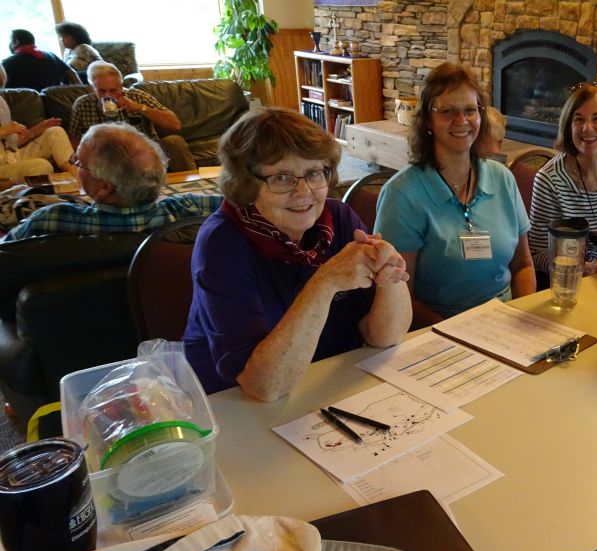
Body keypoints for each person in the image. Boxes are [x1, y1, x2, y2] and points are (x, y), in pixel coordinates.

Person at [183, 108, 411, 400]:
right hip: (234, 406)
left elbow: (384, 337)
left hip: (321, 384)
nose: (303, 191)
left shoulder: (338, 218)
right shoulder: (222, 243)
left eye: (314, 173)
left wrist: (388, 273)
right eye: (281, 178)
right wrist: (325, 282)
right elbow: (265, 386)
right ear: (246, 182)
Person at [374, 63, 535, 326]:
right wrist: (457, 334)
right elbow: (400, 296)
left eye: (470, 110)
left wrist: (522, 317)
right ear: (428, 119)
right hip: (436, 330)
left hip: (506, 323)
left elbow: (523, 266)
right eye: (447, 111)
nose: (461, 121)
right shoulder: (402, 194)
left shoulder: (502, 178)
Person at [3, 122, 221, 242]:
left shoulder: (51, 220)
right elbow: (248, 205)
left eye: (78, 162)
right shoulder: (189, 209)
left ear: (105, 187)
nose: (74, 166)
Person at [528, 81, 597, 276]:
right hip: (570, 284)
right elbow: (537, 253)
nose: (587, 128)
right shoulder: (549, 180)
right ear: (568, 127)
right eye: (578, 119)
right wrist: (581, 269)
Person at [68, 61, 197, 173]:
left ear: (121, 86)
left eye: (113, 90)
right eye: (101, 91)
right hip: (105, 155)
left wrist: (138, 107)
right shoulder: (82, 104)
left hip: (144, 149)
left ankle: (193, 184)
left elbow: (175, 124)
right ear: (92, 89)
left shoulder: (137, 97)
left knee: (175, 142)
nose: (107, 95)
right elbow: (74, 136)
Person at [0, 64, 77, 183]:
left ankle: (78, 178)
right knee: (41, 166)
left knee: (55, 132)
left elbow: (12, 144)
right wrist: (5, 130)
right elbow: (6, 132)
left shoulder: (1, 103)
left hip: (12, 157)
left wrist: (35, 131)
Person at [1, 29, 80, 91]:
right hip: (56, 105)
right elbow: (72, 74)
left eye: (10, 41)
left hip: (24, 108)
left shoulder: (8, 63)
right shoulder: (52, 56)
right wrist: (78, 93)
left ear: (16, 42)